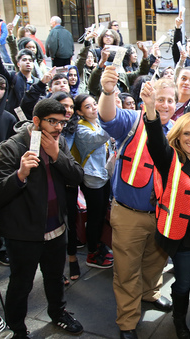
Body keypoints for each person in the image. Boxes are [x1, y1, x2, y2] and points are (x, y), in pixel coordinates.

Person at [0, 98, 85, 339]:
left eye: (62, 122)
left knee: (54, 277)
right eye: (52, 122)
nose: (58, 127)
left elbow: (78, 177)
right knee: (21, 284)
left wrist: (56, 156)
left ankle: (58, 313)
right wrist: (20, 175)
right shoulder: (11, 148)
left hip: (56, 228)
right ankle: (17, 328)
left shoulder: (56, 145)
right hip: (23, 233)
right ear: (37, 121)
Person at [98, 67, 173, 339]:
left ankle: (150, 293)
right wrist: (107, 92)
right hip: (129, 214)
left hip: (162, 214)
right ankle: (128, 321)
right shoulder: (131, 120)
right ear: (148, 98)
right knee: (127, 271)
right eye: (160, 98)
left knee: (155, 262)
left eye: (169, 100)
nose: (164, 105)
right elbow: (107, 117)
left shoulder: (176, 131)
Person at [142, 80, 190, 339]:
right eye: (187, 134)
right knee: (183, 283)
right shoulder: (169, 159)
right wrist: (151, 110)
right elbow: (154, 140)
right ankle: (179, 322)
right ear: (178, 136)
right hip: (182, 235)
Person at [72, 94, 113, 270]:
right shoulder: (80, 129)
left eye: (95, 104)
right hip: (92, 177)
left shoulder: (96, 122)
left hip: (103, 174)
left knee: (102, 212)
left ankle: (99, 244)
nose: (94, 108)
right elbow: (99, 138)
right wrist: (112, 119)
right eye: (88, 107)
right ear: (79, 112)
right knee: (95, 217)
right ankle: (92, 252)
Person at [0, 43, 40, 114]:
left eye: (30, 60)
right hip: (14, 115)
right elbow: (0, 69)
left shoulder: (37, 82)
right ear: (18, 64)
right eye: (24, 60)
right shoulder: (13, 76)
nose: (28, 62)